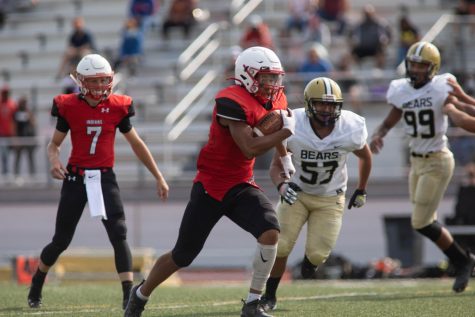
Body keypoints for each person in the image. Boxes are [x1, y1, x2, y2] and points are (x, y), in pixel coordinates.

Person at [124, 46, 296, 317]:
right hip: (211, 186)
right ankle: (140, 294)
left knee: (270, 230)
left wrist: (285, 157)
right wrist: (285, 131)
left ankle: (253, 303)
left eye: (276, 78)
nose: (273, 84)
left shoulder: (276, 99)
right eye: (267, 77)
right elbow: (249, 147)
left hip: (241, 183)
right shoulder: (230, 101)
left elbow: (272, 131)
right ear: (249, 75)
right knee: (183, 255)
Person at [27, 54, 170, 309]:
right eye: (95, 81)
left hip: (104, 176)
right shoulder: (68, 105)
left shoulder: (118, 105)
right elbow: (54, 145)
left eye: (105, 79)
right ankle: (37, 280)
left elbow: (136, 143)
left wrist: (158, 176)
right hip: (76, 177)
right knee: (61, 240)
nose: (102, 85)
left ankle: (128, 294)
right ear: (81, 81)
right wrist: (54, 161)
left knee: (119, 234)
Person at [369, 41, 475, 293]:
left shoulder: (441, 89)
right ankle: (463, 261)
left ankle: (462, 260)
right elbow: (396, 112)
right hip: (416, 161)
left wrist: (459, 102)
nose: (415, 70)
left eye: (421, 66)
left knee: (420, 221)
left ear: (433, 69)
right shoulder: (400, 90)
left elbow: (461, 116)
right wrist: (381, 131)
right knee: (426, 220)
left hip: (437, 160)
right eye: (412, 64)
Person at [260, 77, 372, 311]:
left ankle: (309, 265)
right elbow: (275, 166)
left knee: (318, 254)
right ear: (310, 104)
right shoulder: (293, 123)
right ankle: (269, 295)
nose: (326, 109)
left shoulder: (349, 127)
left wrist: (361, 189)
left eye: (331, 105)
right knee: (280, 247)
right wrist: (282, 186)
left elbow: (366, 157)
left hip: (330, 198)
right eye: (321, 104)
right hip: (297, 194)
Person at [348, 4, 391, 69]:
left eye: (369, 14)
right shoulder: (358, 25)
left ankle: (380, 71)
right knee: (351, 53)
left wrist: (384, 41)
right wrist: (353, 42)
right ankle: (357, 70)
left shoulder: (380, 24)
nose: (368, 17)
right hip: (361, 48)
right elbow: (351, 36)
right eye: (366, 14)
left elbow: (387, 35)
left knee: (382, 51)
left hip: (375, 48)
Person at [13, 96, 36, 176]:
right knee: (18, 157)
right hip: (20, 138)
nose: (23, 104)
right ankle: (16, 175)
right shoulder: (16, 112)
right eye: (22, 103)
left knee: (30, 157)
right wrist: (15, 139)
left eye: (24, 103)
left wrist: (29, 116)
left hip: (28, 138)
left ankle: (32, 174)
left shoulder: (29, 112)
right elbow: (14, 126)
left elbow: (33, 124)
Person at [0, 85, 16, 176]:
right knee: (4, 154)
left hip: (10, 134)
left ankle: (12, 173)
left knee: (12, 154)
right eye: (3, 93)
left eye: (6, 93)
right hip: (2, 134)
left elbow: (14, 120)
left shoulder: (12, 105)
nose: (5, 94)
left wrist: (14, 134)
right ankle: (6, 173)